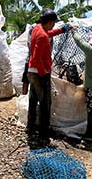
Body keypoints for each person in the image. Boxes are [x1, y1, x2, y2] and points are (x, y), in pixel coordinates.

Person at [26, 8, 71, 148]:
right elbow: (37, 58)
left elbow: (49, 33)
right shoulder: (42, 36)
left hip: (32, 72)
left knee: (33, 100)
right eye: (54, 23)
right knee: (45, 103)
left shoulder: (37, 28)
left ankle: (31, 127)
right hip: (39, 73)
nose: (53, 26)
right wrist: (44, 73)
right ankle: (43, 135)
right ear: (50, 22)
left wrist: (63, 30)